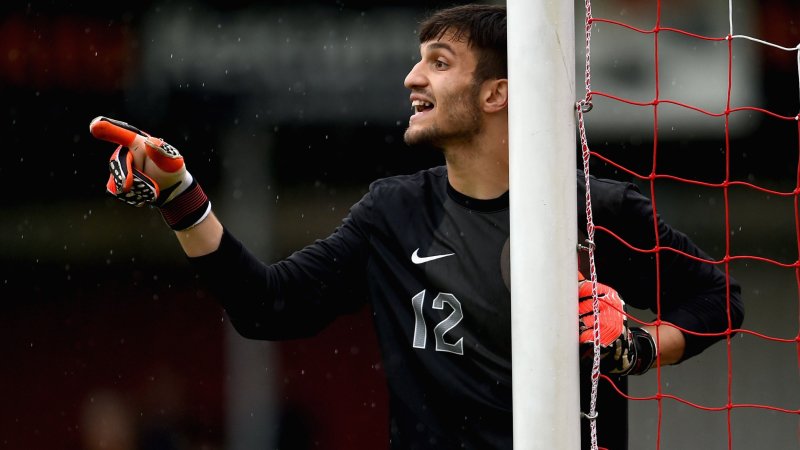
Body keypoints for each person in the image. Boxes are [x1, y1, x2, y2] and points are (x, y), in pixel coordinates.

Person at [88, 4, 743, 449]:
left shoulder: (599, 212)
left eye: (438, 61)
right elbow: (265, 306)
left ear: (497, 92)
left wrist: (639, 345)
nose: (411, 77)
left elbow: (719, 300)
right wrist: (180, 194)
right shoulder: (392, 214)